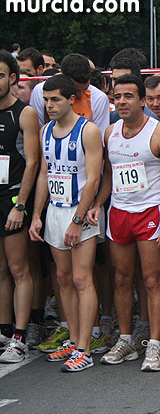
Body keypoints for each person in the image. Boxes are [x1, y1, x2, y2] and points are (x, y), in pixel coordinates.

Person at [94, 74, 160, 372]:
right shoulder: (110, 133)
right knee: (121, 278)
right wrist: (97, 205)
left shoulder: (158, 134)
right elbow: (109, 175)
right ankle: (126, 339)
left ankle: (154, 345)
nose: (121, 101)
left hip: (150, 213)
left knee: (152, 279)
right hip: (119, 213)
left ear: (142, 101)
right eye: (117, 96)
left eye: (128, 96)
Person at [28, 74, 104, 372]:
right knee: (62, 278)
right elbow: (45, 175)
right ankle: (73, 340)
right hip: (55, 212)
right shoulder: (46, 131)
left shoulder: (89, 131)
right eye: (46, 100)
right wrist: (36, 214)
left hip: (79, 212)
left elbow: (94, 179)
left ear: (71, 99)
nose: (49, 105)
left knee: (81, 278)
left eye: (55, 99)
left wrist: (77, 219)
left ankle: (85, 347)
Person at [0, 50, 39, 364]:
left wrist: (20, 205)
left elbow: (32, 163)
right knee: (0, 271)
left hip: (12, 199)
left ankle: (20, 337)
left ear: (13, 78)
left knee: (18, 269)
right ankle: (3, 330)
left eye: (1, 75)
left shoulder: (23, 113)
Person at [30, 54, 110, 134]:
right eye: (75, 90)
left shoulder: (99, 98)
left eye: (85, 89)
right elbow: (37, 132)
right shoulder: (40, 91)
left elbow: (99, 138)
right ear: (62, 76)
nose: (80, 95)